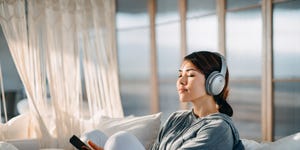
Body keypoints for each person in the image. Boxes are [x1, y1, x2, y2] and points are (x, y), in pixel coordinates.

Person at [82, 51, 244, 150]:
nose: (181, 81)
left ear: (215, 83)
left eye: (191, 75)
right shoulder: (176, 118)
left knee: (120, 139)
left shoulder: (220, 128)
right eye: (180, 74)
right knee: (91, 136)